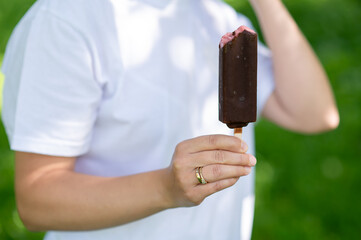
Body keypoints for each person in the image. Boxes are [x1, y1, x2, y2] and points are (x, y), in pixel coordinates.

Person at [1, 0, 339, 239]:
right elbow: (36, 200)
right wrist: (166, 188)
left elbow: (313, 113)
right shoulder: (67, 21)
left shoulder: (213, 13)